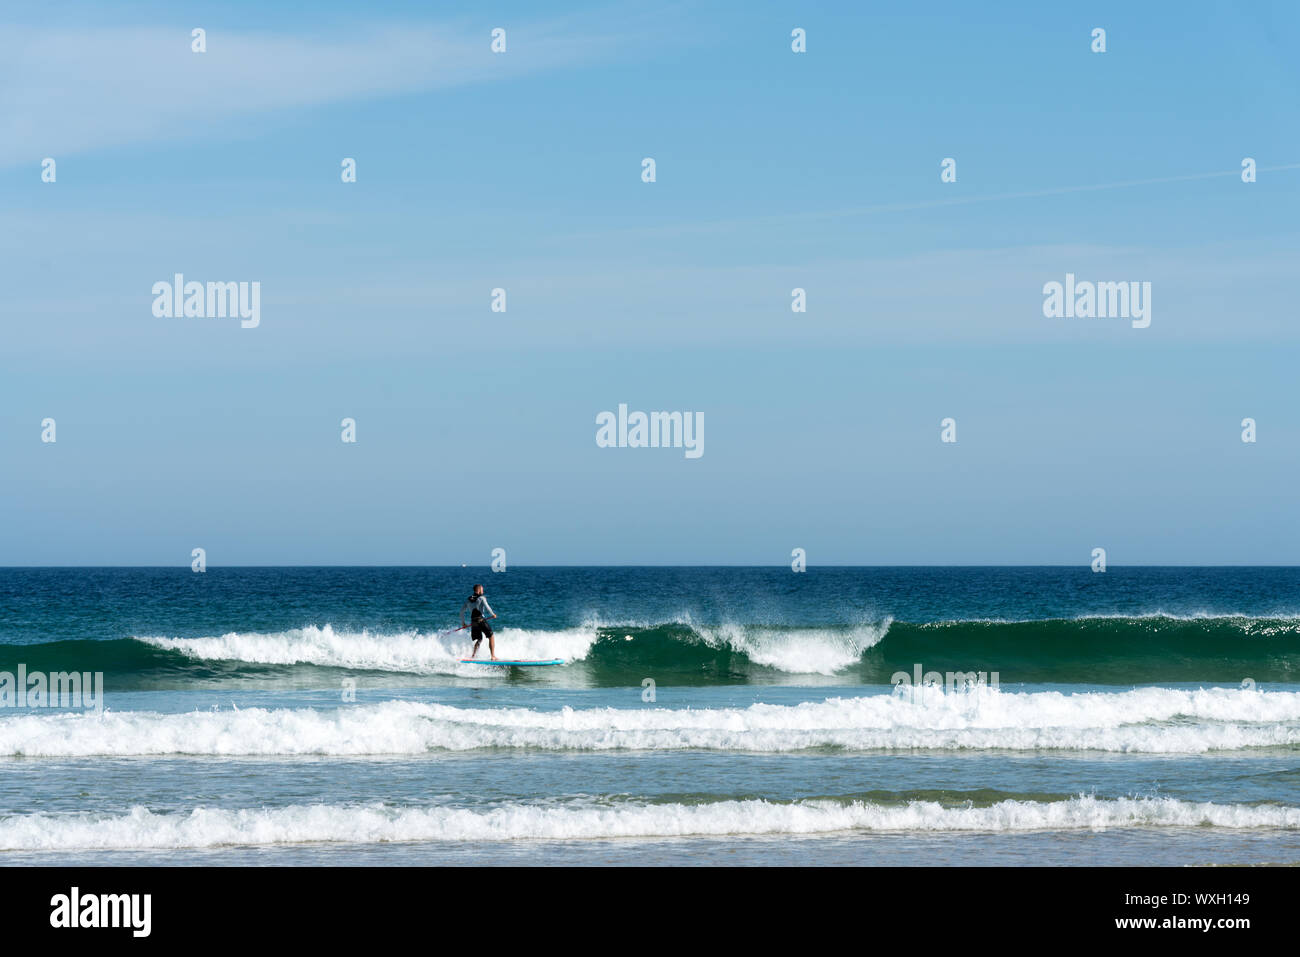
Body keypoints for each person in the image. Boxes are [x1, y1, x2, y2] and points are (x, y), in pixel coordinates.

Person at [461, 584, 498, 659]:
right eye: (482, 590)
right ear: (478, 590)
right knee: (491, 636)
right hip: (481, 620)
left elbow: (461, 612)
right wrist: (493, 614)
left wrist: (463, 623)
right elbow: (488, 607)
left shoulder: (468, 600)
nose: (483, 591)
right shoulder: (482, 598)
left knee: (479, 639)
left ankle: (473, 656)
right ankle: (493, 656)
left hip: (473, 621)